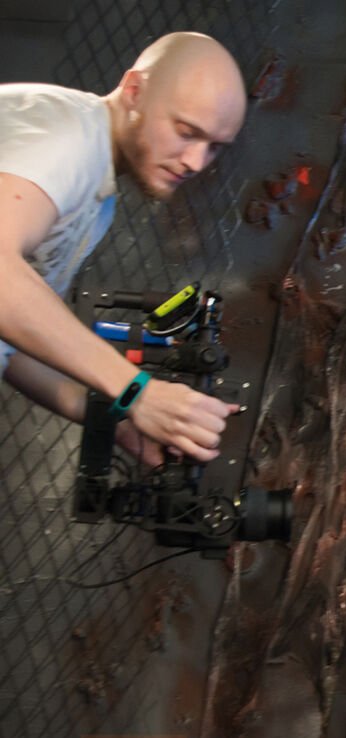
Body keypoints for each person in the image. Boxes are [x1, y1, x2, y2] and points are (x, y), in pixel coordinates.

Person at [0, 32, 247, 465]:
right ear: (134, 90)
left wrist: (119, 424)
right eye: (186, 132)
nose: (196, 161)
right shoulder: (66, 141)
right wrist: (139, 392)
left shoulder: (96, 186)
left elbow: (11, 340)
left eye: (214, 147)